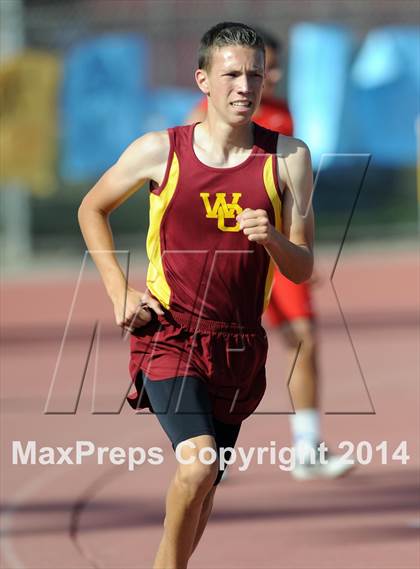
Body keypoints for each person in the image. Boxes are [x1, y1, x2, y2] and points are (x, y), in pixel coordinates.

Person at [78, 22, 314, 569]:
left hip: (238, 348)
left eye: (254, 74)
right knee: (199, 464)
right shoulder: (160, 151)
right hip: (170, 336)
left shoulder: (288, 158)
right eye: (231, 74)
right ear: (202, 80)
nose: (244, 86)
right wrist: (119, 291)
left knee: (205, 486)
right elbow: (92, 207)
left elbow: (302, 270)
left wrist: (273, 237)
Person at [187, 29, 354, 481]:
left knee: (304, 339)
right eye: (261, 68)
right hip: (224, 260)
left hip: (274, 253)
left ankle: (308, 445)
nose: (269, 76)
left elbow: (294, 194)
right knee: (213, 350)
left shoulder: (282, 117)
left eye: (268, 69)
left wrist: (298, 248)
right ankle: (198, 441)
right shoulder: (201, 121)